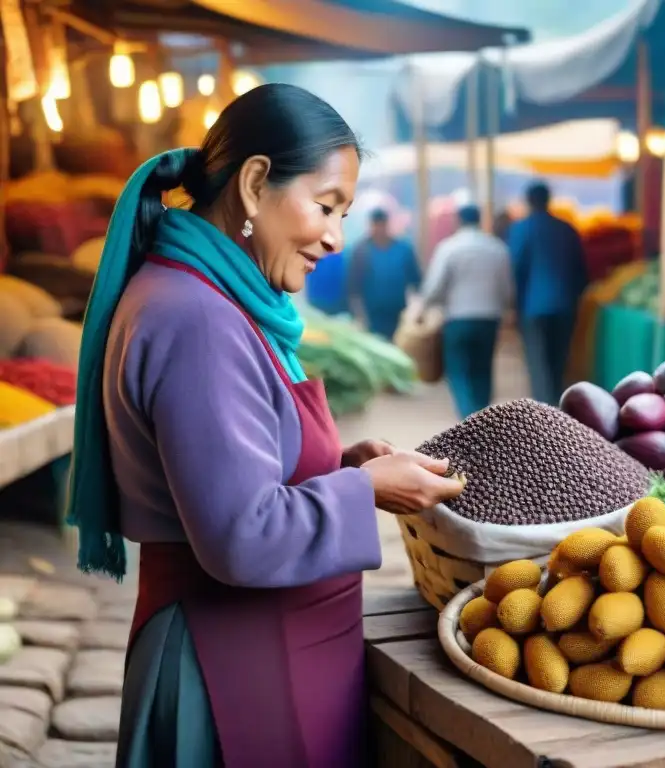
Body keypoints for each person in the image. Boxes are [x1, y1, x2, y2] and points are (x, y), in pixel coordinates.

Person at [63, 84, 465, 767]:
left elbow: (239, 472)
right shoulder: (196, 319)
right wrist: (363, 490)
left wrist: (338, 467)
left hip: (267, 654)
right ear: (254, 185)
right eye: (327, 205)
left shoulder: (214, 298)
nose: (336, 237)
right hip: (232, 673)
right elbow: (241, 537)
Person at [419, 204, 513, 418]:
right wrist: (506, 309)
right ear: (480, 220)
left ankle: (467, 417)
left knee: (459, 370)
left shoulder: (449, 247)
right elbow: (507, 287)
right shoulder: (497, 248)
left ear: (458, 221)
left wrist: (424, 307)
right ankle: (482, 416)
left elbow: (435, 286)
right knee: (483, 369)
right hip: (489, 318)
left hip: (457, 318)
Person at [507, 181, 589, 405]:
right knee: (559, 359)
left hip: (532, 306)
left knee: (537, 361)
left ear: (528, 201)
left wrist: (513, 306)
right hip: (565, 305)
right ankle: (558, 404)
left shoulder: (520, 229)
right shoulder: (567, 229)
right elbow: (581, 271)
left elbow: (515, 269)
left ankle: (545, 412)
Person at [348, 208, 421, 339]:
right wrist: (359, 316)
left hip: (398, 315)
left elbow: (416, 282)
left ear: (387, 225)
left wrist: (416, 311)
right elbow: (353, 289)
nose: (379, 229)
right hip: (371, 316)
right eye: (376, 225)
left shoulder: (403, 249)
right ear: (371, 226)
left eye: (382, 225)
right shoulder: (361, 251)